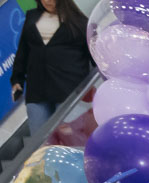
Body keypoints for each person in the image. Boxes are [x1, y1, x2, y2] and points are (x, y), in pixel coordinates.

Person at [11, 0, 91, 133]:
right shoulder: (32, 17)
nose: (47, 0)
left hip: (68, 91)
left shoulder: (80, 22)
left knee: (70, 139)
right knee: (39, 139)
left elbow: (93, 54)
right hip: (37, 90)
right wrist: (17, 79)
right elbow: (23, 51)